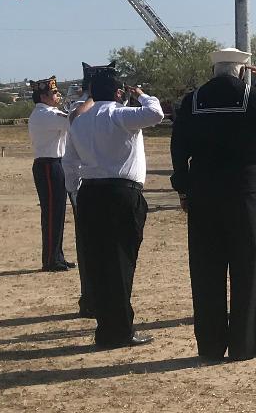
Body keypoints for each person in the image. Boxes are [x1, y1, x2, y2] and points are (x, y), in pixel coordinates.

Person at [170, 48, 256, 362]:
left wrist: (184, 189)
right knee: (246, 269)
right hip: (243, 193)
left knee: (206, 272)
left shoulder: (192, 100)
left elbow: (178, 148)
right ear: (242, 70)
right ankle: (244, 346)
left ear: (214, 70)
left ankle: (211, 346)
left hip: (203, 193)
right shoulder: (252, 97)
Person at [64, 73, 164, 348]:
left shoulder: (79, 120)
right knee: (121, 263)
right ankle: (120, 330)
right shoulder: (120, 115)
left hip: (90, 193)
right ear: (119, 93)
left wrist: (76, 194)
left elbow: (69, 161)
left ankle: (106, 327)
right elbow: (156, 113)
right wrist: (142, 94)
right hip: (121, 193)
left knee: (98, 264)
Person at [63, 61, 117, 317]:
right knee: (90, 247)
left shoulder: (109, 108)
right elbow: (76, 119)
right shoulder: (80, 107)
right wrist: (93, 97)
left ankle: (99, 298)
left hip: (104, 183)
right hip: (87, 183)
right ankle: (91, 299)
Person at [28, 75, 73, 272]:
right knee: (52, 212)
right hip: (48, 164)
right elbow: (72, 122)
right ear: (43, 96)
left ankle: (57, 255)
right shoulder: (44, 114)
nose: (58, 95)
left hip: (56, 163)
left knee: (58, 211)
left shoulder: (50, 112)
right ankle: (50, 259)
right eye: (54, 92)